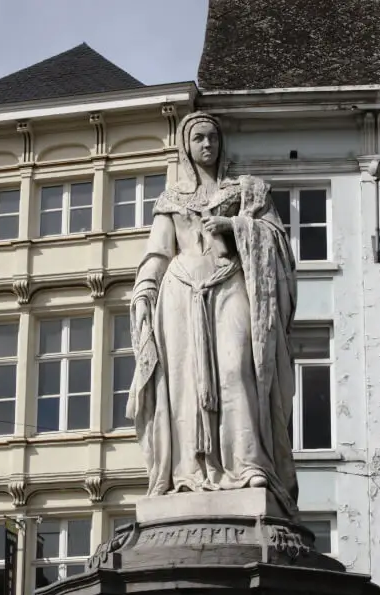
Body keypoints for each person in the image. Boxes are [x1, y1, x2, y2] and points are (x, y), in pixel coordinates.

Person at [126, 111, 300, 517]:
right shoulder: (171, 200)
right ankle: (188, 472)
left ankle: (249, 464)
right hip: (181, 292)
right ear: (186, 147)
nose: (207, 145)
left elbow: (277, 244)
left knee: (239, 370)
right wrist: (144, 291)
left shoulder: (246, 192)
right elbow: (157, 254)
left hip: (230, 283)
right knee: (184, 385)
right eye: (199, 138)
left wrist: (234, 225)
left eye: (213, 138)